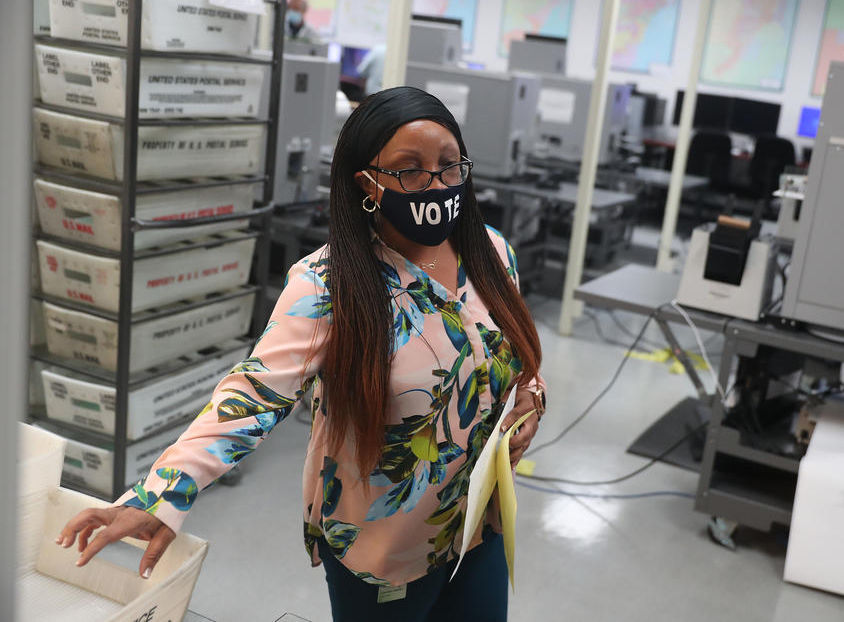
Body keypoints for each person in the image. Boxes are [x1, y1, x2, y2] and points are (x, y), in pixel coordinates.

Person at [55, 86, 547, 621]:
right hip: (382, 548)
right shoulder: (328, 285)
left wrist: (530, 399)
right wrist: (162, 494)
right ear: (368, 183)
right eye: (410, 170)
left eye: (450, 167)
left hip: (480, 524)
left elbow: (517, 358)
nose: (436, 183)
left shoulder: (493, 252)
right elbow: (255, 392)